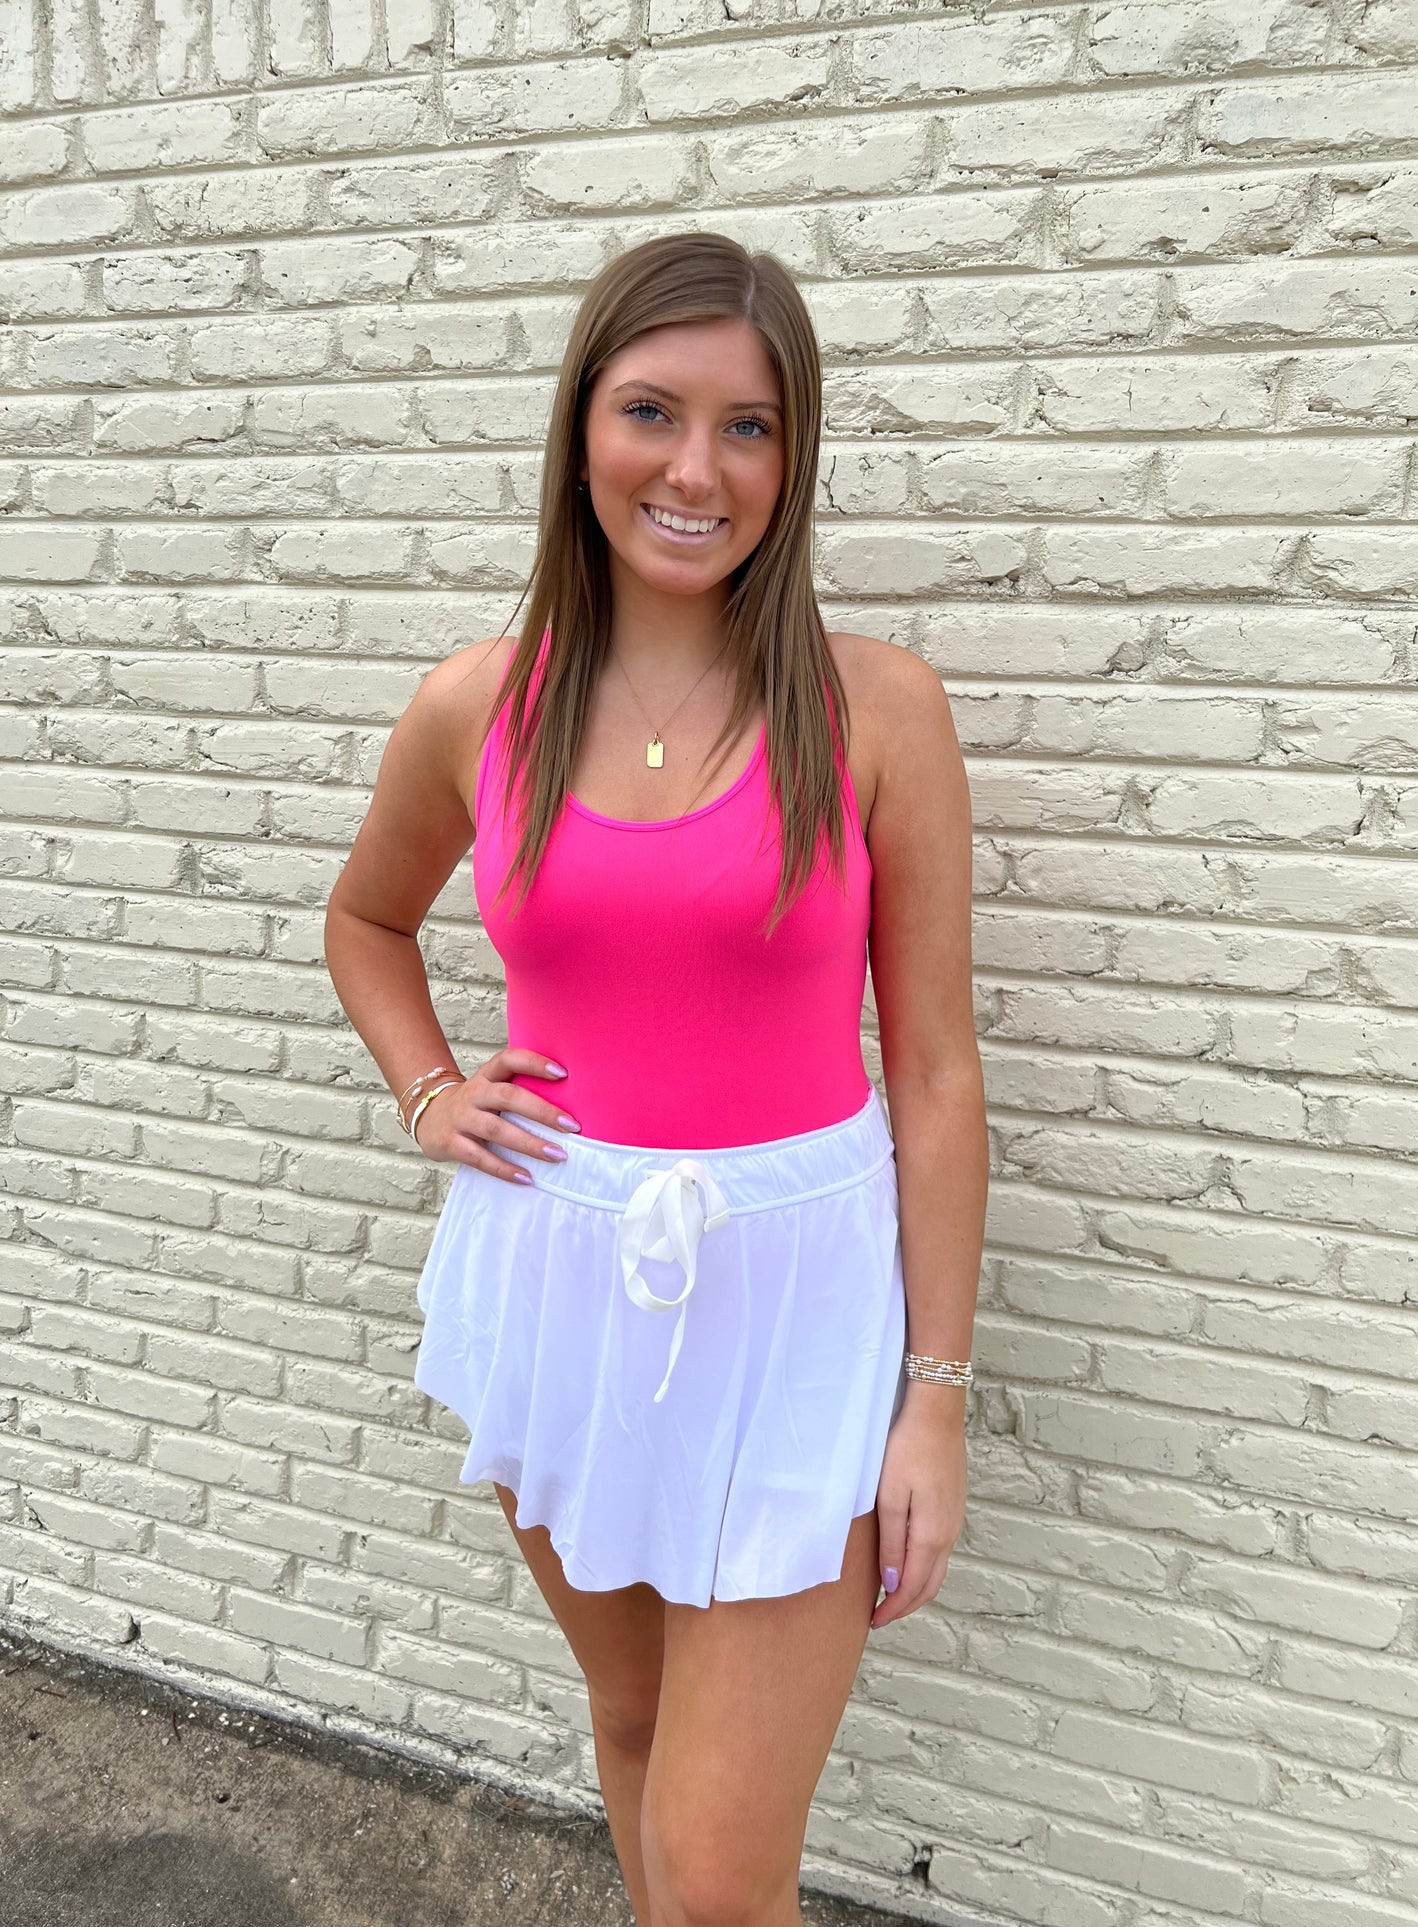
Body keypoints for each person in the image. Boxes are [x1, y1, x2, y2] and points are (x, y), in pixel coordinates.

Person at [323, 231, 987, 1927]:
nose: (696, 469)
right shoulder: (476, 705)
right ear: (580, 431)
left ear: (792, 456)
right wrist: (428, 1092)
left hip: (801, 1305)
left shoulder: (875, 712)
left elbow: (931, 1073)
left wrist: (931, 1396)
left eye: (747, 426)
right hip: (557, 1275)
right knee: (626, 1718)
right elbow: (365, 919)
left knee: (714, 1870)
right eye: (652, 412)